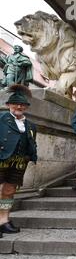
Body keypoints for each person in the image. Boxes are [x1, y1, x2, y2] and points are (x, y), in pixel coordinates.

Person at [0, 85, 37, 236]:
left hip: (19, 162)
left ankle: (4, 221)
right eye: (16, 103)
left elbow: (31, 143)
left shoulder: (30, 125)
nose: (19, 106)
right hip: (2, 159)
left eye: (22, 104)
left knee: (9, 191)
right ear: (8, 105)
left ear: (26, 107)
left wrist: (30, 157)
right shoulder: (1, 119)